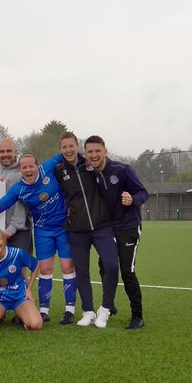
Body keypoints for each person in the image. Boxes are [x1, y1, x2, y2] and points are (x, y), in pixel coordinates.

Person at [0, 153, 78, 324]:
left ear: (37, 166)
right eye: (24, 167)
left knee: (67, 267)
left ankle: (69, 311)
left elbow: (66, 153)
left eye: (31, 166)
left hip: (63, 227)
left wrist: (83, 160)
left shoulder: (48, 166)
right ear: (20, 169)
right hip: (43, 230)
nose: (28, 170)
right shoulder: (19, 188)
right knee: (45, 269)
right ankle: (44, 311)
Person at [55, 133, 119, 327]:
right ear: (60, 150)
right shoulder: (59, 170)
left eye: (71, 146)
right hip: (76, 229)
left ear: (77, 147)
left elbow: (111, 172)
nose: (68, 150)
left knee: (112, 265)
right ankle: (88, 311)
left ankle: (105, 309)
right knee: (82, 272)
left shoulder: (91, 164)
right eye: (64, 147)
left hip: (102, 226)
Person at [85, 135, 148, 329]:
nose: (94, 155)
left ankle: (137, 316)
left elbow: (143, 193)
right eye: (90, 152)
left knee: (127, 272)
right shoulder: (90, 173)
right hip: (108, 229)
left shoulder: (122, 170)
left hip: (128, 228)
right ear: (86, 154)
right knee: (105, 267)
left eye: (98, 151)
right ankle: (109, 305)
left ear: (105, 151)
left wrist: (132, 199)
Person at [0, 138, 33, 253]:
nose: (5, 154)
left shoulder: (22, 172)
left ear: (15, 152)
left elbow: (22, 203)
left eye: (9, 151)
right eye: (2, 152)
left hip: (18, 231)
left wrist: (12, 228)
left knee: (18, 268)